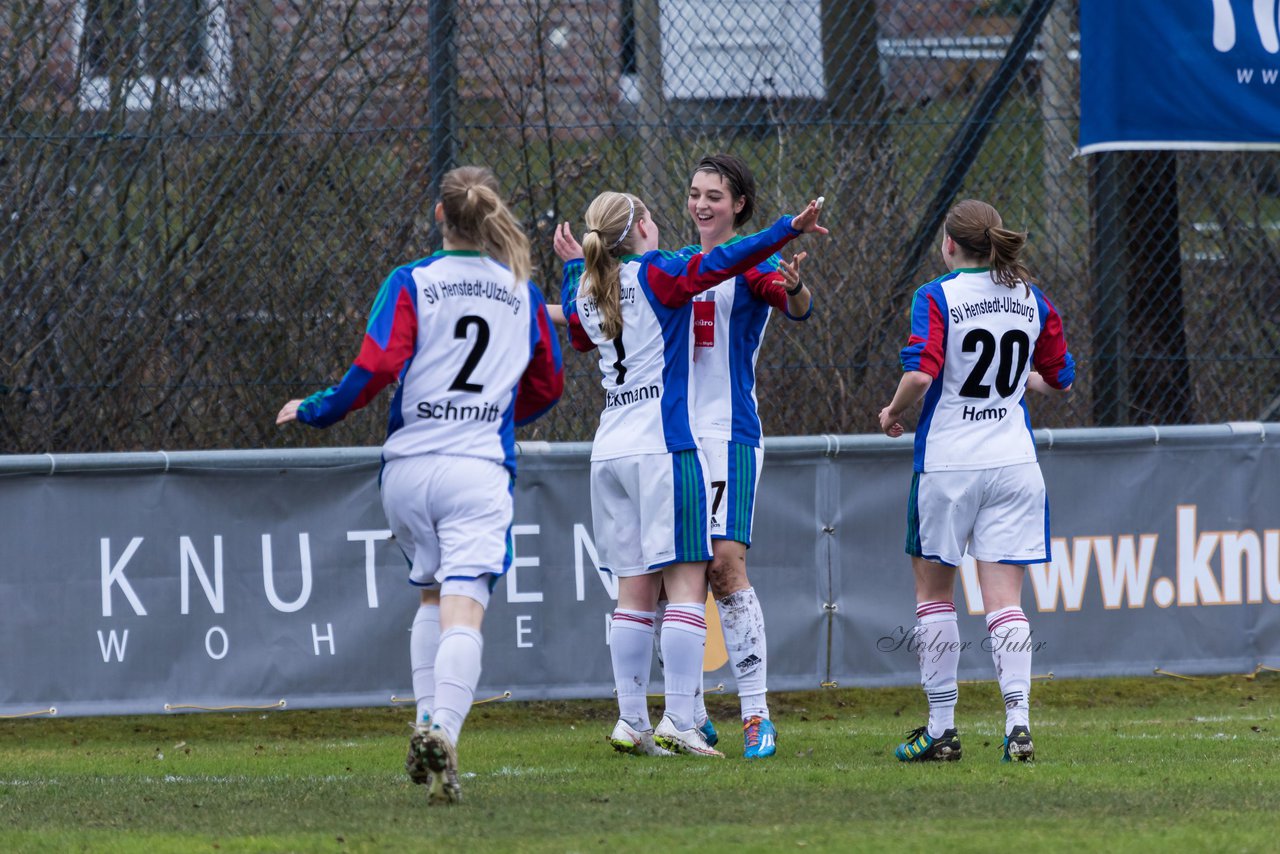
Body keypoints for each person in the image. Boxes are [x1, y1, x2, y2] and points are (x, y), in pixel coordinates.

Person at [276, 165, 563, 803]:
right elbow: (548, 384)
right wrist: (490, 415)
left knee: (431, 597)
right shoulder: (519, 291)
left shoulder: (413, 281)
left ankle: (423, 728)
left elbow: (374, 368)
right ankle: (444, 732)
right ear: (492, 216)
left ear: (441, 215)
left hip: (406, 474)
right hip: (476, 471)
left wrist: (317, 408)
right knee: (465, 605)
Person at [556, 191, 826, 757]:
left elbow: (580, 336)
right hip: (664, 446)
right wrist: (786, 229)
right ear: (641, 230)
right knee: (685, 584)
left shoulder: (587, 285)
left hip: (609, 450)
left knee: (633, 593)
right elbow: (727, 261)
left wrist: (568, 268)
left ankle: (631, 719)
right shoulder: (659, 273)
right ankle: (680, 717)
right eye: (653, 214)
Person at [878, 198, 1074, 764]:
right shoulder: (1031, 299)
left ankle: (941, 729)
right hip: (1015, 463)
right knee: (1005, 602)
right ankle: (1018, 725)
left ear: (949, 245)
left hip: (949, 465)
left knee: (935, 595)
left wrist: (893, 412)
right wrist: (1021, 384)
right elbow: (1060, 378)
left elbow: (921, 372)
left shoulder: (937, 295)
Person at [676, 154, 813, 759]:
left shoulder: (756, 264)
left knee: (726, 568)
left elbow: (798, 306)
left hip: (729, 436)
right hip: (675, 438)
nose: (702, 203)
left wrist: (798, 286)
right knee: (676, 576)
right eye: (696, 193)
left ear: (739, 207)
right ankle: (691, 714)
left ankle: (756, 715)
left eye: (715, 195)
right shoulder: (674, 266)